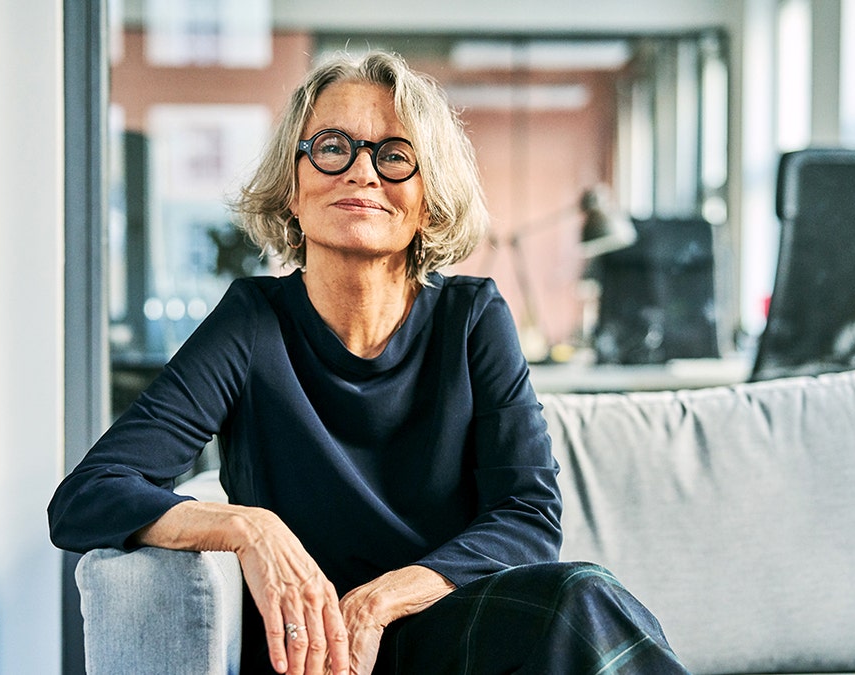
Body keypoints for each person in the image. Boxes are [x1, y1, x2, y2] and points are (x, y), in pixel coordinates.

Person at [48, 50, 688, 675]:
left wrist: (382, 602)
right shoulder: (251, 323)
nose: (362, 172)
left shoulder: (472, 317)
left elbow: (527, 516)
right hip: (313, 655)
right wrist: (248, 527)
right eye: (332, 147)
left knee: (579, 600)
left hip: (453, 629)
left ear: (428, 202)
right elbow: (85, 497)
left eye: (394, 155)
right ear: (292, 189)